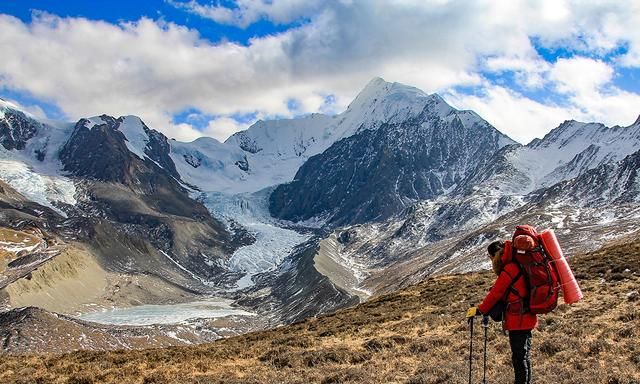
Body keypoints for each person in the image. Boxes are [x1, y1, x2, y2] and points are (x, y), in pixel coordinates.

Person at [467, 240, 538, 384]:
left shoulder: (509, 269)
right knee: (523, 356)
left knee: (519, 358)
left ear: (494, 256)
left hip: (519, 320)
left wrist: (480, 310)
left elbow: (496, 293)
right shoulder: (513, 266)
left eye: (491, 258)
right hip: (524, 318)